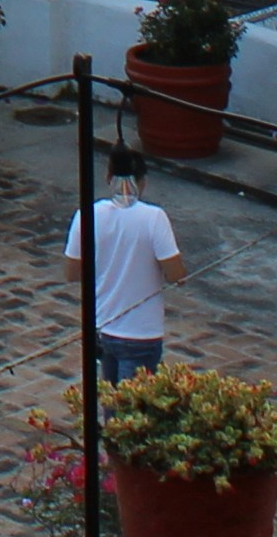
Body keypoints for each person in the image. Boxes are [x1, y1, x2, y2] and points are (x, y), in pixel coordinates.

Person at [64, 143, 184, 380]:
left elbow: (72, 272)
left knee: (111, 398)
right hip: (141, 333)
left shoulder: (87, 214)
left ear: (109, 177)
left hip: (104, 327)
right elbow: (176, 275)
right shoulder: (154, 218)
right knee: (133, 402)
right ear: (143, 181)